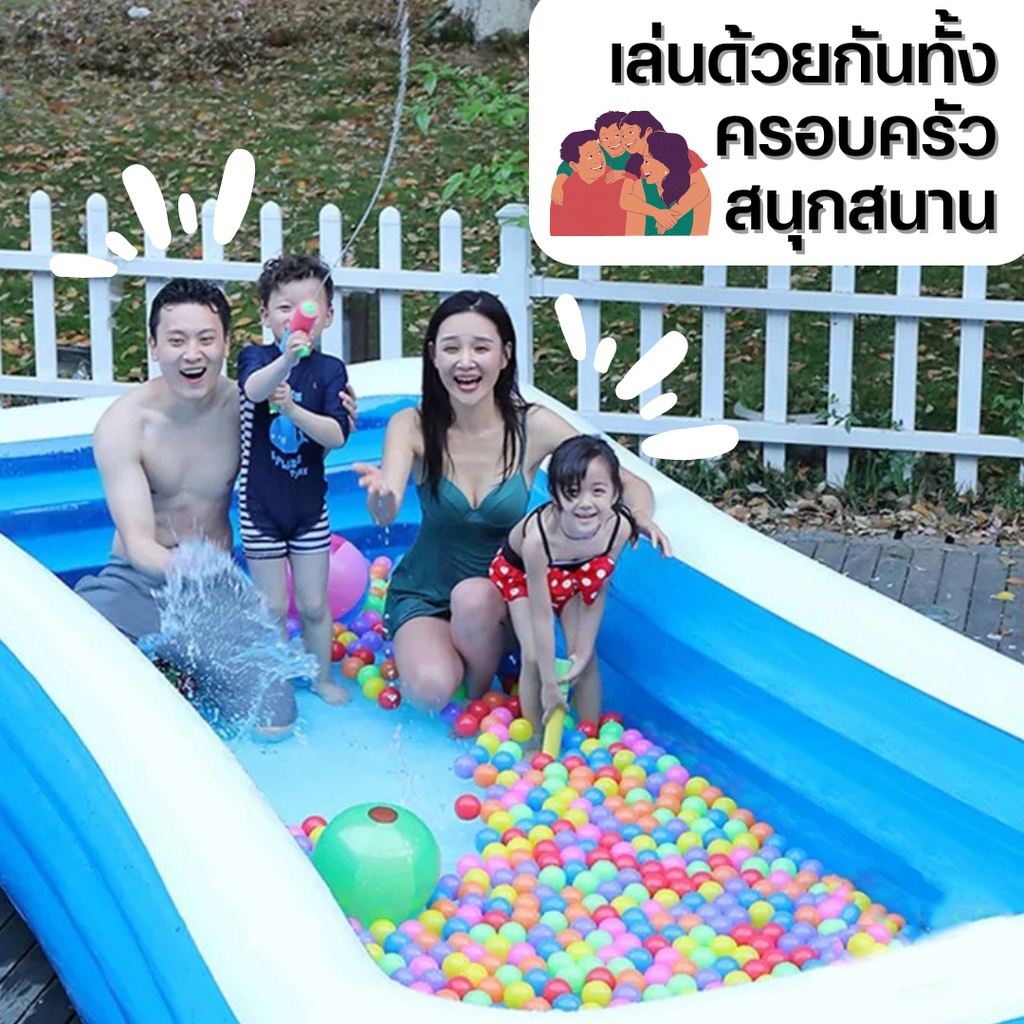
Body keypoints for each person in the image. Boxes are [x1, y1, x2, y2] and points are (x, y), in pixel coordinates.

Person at [352, 290, 671, 712]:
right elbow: (386, 510)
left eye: (480, 348)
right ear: (433, 356)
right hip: (425, 593)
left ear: (504, 356)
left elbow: (627, 482)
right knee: (429, 691)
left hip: (505, 602)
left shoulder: (531, 426)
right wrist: (380, 498)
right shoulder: (411, 424)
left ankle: (478, 693)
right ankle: (455, 663)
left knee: (474, 598)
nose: (466, 361)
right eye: (452, 348)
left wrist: (636, 515)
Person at [237, 254, 352, 706]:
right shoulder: (257, 358)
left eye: (307, 307)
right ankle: (275, 681)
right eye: (283, 307)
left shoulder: (330, 370)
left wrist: (292, 409)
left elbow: (336, 435)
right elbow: (254, 390)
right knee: (270, 607)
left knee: (313, 604)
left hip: (308, 509)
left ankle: (320, 677)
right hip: (260, 508)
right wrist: (286, 359)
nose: (295, 316)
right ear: (265, 315)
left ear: (327, 315)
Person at [489, 435, 637, 732]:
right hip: (522, 577)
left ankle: (590, 735)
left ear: (615, 493)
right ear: (554, 495)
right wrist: (549, 684)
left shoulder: (618, 529)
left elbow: (596, 588)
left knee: (585, 658)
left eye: (598, 491)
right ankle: (533, 739)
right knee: (533, 657)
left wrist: (583, 649)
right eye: (572, 492)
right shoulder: (539, 541)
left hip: (573, 577)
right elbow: (542, 616)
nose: (586, 503)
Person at [550, 130, 641, 236]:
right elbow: (558, 231)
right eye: (590, 156)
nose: (598, 160)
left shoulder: (620, 181)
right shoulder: (562, 191)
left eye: (599, 152)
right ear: (574, 166)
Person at [623, 129, 711, 236]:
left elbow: (700, 235)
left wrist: (671, 216)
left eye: (647, 161)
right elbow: (633, 234)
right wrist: (658, 214)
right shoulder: (640, 188)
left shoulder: (697, 193)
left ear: (667, 164)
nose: (642, 166)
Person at [550, 110, 629, 206]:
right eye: (606, 138)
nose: (612, 141)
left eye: (617, 135)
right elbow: (569, 162)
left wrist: (625, 174)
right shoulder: (597, 151)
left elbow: (643, 175)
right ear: (600, 141)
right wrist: (558, 183)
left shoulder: (635, 155)